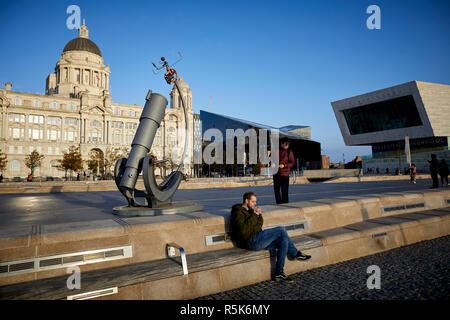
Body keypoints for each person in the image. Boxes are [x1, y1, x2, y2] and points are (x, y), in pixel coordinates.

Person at [230, 192, 311, 283]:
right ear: (246, 200)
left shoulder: (250, 210)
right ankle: (295, 253)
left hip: (258, 238)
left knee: (284, 241)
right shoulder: (238, 212)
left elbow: (258, 226)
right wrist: (255, 216)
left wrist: (259, 215)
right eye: (253, 202)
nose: (255, 204)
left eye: (255, 201)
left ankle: (279, 273)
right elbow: (244, 231)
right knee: (280, 229)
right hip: (250, 241)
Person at [273, 138, 295, 204]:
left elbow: (292, 163)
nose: (286, 145)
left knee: (284, 191)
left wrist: (284, 165)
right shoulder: (275, 151)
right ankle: (278, 203)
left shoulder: (289, 152)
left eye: (287, 144)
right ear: (281, 144)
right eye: (285, 144)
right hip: (276, 174)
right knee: (276, 191)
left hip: (285, 175)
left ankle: (285, 205)